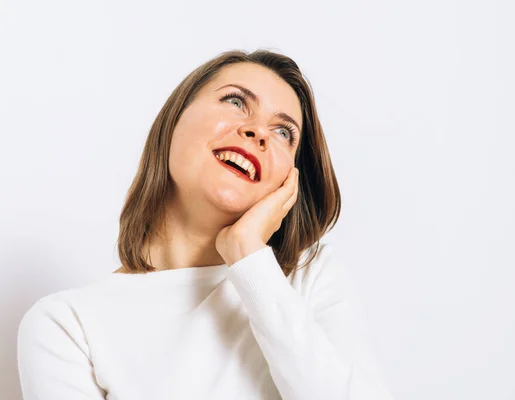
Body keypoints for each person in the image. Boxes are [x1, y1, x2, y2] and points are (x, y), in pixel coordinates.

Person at [17, 49, 394, 399]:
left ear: (289, 178)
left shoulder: (309, 278)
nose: (259, 132)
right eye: (235, 102)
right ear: (173, 120)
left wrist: (248, 256)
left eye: (284, 132)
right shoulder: (67, 325)